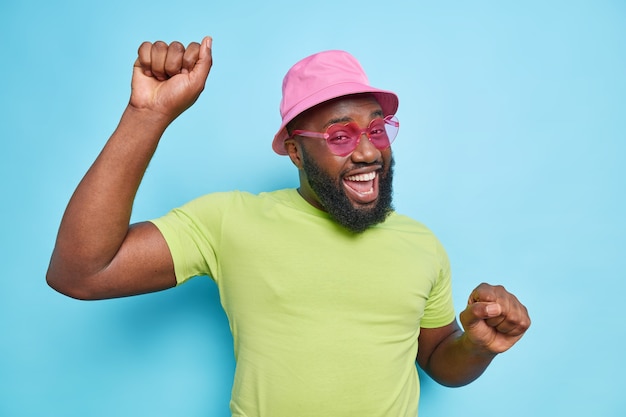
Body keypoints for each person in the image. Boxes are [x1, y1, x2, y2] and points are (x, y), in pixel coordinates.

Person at [47, 36, 530, 417]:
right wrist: (146, 114)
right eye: (339, 134)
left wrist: (476, 345)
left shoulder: (422, 244)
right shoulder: (229, 221)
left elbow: (438, 359)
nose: (367, 152)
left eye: (376, 129)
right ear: (295, 151)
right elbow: (82, 273)